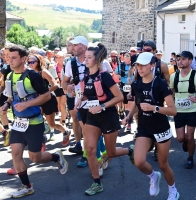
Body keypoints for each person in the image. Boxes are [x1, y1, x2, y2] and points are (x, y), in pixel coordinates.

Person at [2, 45, 68, 198]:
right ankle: (27, 186)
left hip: (34, 123)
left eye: (13, 58)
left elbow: (45, 96)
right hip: (18, 123)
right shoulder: (10, 76)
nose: (10, 61)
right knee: (16, 154)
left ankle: (56, 157)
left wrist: (26, 104)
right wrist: (7, 104)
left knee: (35, 158)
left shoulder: (33, 75)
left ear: (23, 59)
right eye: (8, 57)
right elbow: (12, 96)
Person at [74, 43, 133, 196]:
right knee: (91, 150)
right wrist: (80, 99)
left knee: (111, 152)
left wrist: (102, 106)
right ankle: (96, 183)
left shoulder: (105, 76)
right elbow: (83, 92)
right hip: (92, 117)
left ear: (97, 59)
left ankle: (129, 150)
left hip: (107, 116)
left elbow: (119, 96)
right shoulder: (86, 75)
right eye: (85, 57)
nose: (85, 60)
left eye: (89, 57)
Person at [123, 52, 179, 199]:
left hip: (161, 128)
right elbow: (137, 103)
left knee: (163, 164)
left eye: (143, 65)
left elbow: (173, 111)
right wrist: (128, 117)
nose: (139, 68)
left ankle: (173, 190)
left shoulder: (160, 84)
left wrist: (154, 108)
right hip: (144, 127)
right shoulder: (136, 84)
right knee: (139, 161)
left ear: (153, 65)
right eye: (137, 65)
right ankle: (153, 177)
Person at [170, 51, 196, 169]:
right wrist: (170, 105)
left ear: (190, 61)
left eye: (183, 59)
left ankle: (190, 158)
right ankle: (186, 141)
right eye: (179, 59)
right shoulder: (173, 76)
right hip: (178, 111)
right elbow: (171, 93)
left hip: (192, 110)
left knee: (190, 136)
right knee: (180, 138)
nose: (180, 61)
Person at [28, 54, 71, 144]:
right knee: (35, 120)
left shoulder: (43, 72)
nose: (30, 64)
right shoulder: (29, 73)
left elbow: (55, 85)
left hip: (48, 100)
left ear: (38, 62)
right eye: (28, 62)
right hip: (36, 100)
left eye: (32, 62)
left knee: (51, 124)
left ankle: (65, 131)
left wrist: (46, 92)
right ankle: (39, 140)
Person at [62, 36, 88, 160]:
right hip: (77, 98)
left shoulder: (95, 60)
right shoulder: (70, 63)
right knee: (76, 120)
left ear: (84, 47)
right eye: (71, 45)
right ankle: (80, 146)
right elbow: (64, 82)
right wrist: (69, 88)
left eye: (75, 45)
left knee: (89, 126)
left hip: (92, 98)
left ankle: (92, 151)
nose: (72, 47)